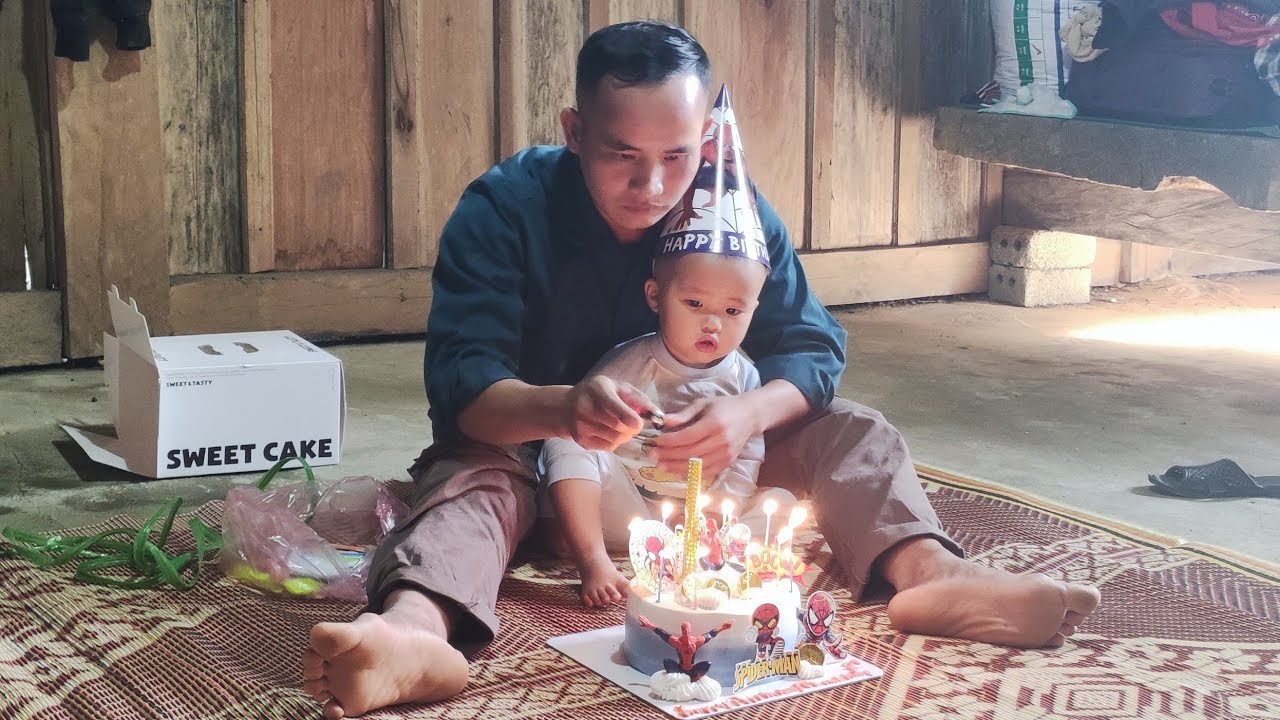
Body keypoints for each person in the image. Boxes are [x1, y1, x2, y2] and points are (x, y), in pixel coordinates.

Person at [301, 20, 1101, 720]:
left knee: (854, 430)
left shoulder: (723, 202)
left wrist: (744, 417)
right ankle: (409, 634)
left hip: (717, 476)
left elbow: (811, 348)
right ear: (574, 131)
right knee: (472, 484)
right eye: (622, 156)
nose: (653, 188)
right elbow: (464, 390)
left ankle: (932, 575)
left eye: (676, 156)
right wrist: (563, 410)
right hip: (544, 473)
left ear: (704, 142)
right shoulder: (504, 209)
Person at [538, 220, 795, 608]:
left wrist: (711, 525)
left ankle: (713, 562)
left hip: (697, 525)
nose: (713, 323)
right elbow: (587, 426)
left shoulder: (745, 378)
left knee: (781, 501)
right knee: (564, 439)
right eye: (694, 304)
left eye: (732, 310)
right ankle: (591, 555)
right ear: (655, 296)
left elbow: (747, 456)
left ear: (752, 311)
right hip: (628, 510)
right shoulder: (630, 362)